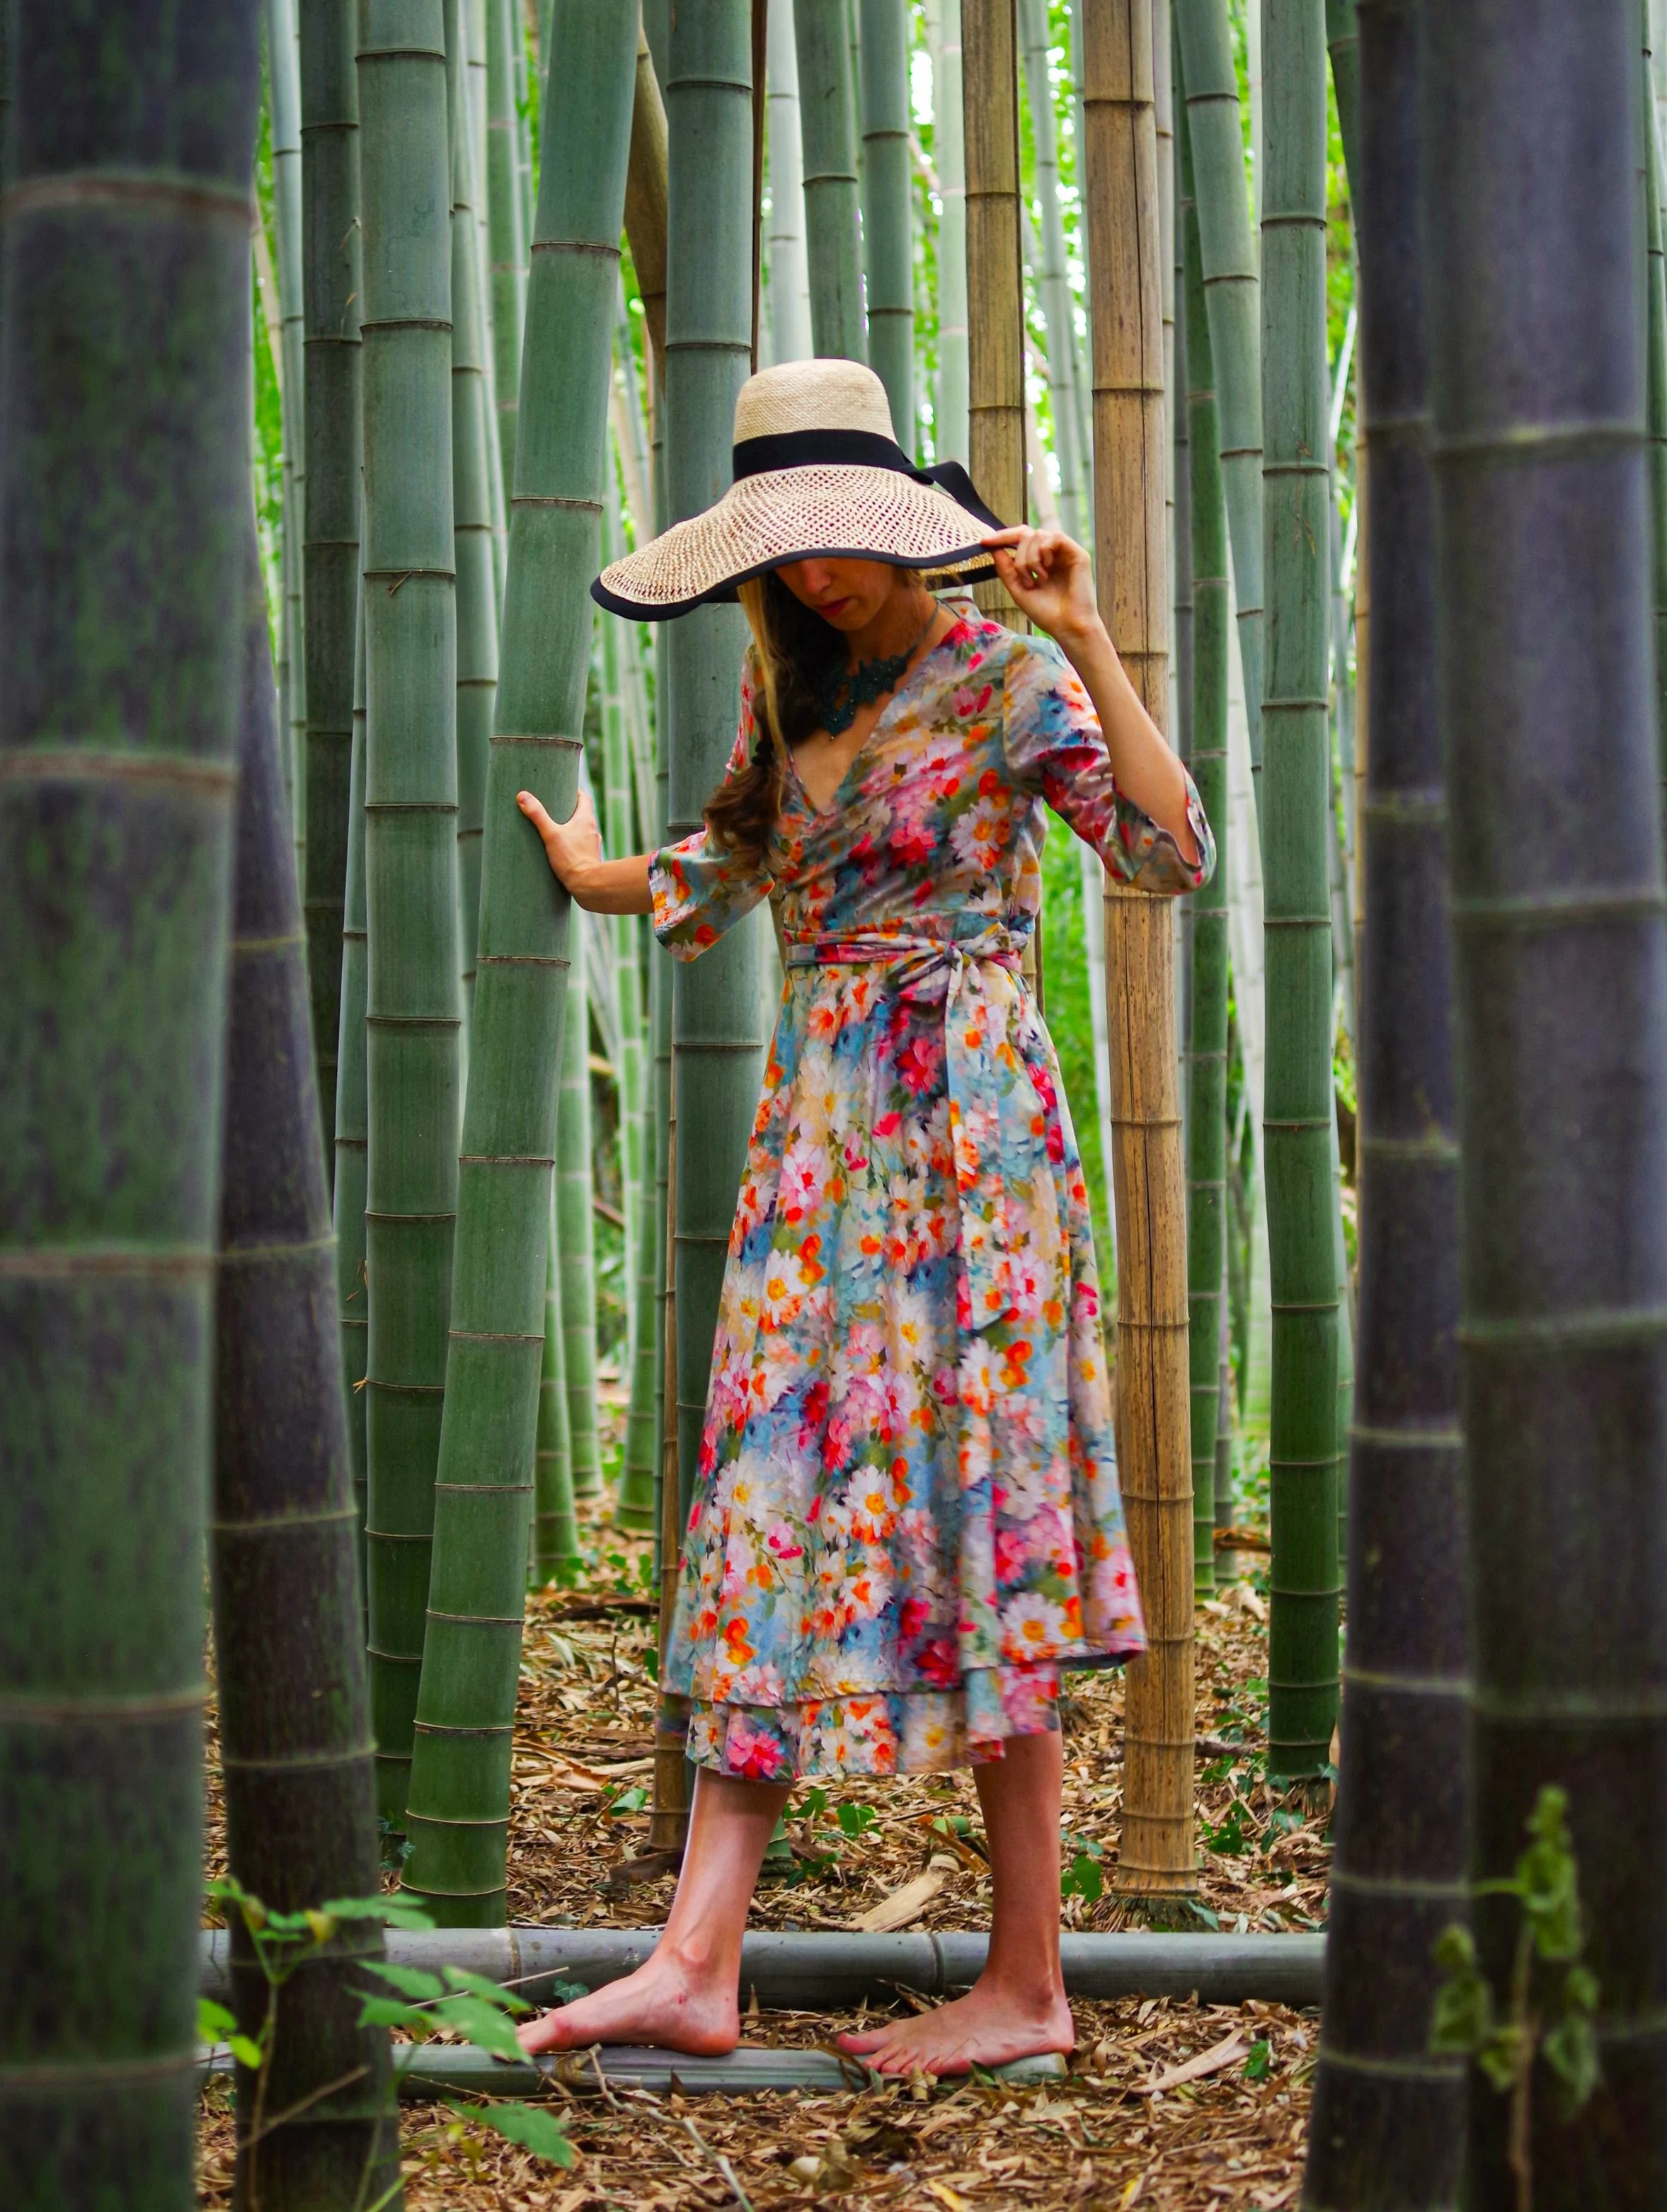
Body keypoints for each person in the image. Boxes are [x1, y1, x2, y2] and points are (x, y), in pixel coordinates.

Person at [515, 359, 1213, 2077]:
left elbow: (1165, 848)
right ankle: (695, 1956)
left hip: (971, 1124)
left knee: (987, 1505)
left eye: (838, 540)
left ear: (903, 529)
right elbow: (728, 857)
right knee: (760, 1490)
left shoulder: (1000, 673)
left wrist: (1089, 635)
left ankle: (1029, 1979)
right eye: (784, 548)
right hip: (821, 1125)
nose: (814, 573)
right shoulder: (791, 686)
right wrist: (595, 870)